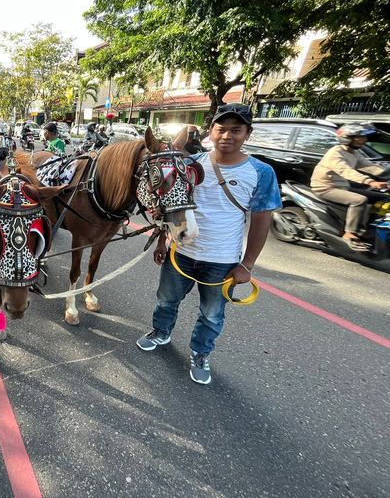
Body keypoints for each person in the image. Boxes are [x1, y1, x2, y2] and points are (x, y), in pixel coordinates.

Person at [136, 103, 281, 385]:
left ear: (247, 134)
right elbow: (172, 205)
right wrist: (164, 241)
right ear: (210, 132)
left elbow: (262, 221)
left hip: (222, 259)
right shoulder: (190, 164)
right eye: (221, 129)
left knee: (212, 314)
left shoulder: (261, 172)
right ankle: (161, 332)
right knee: (166, 300)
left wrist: (247, 265)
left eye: (236, 130)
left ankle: (201, 353)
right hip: (182, 251)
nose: (227, 135)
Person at [310, 123, 388, 252]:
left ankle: (365, 227)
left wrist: (384, 173)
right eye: (359, 137)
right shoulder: (335, 153)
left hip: (342, 187)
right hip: (325, 188)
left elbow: (369, 166)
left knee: (383, 197)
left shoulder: (354, 153)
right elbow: (345, 171)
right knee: (359, 200)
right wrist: (369, 181)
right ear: (348, 138)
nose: (364, 139)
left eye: (363, 137)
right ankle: (349, 232)